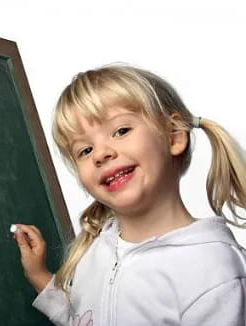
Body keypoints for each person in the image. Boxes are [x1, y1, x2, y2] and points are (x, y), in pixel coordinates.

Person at [13, 64, 246, 325]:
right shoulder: (96, 248)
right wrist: (41, 278)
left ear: (173, 137)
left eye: (121, 131)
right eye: (85, 150)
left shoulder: (213, 271)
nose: (101, 154)